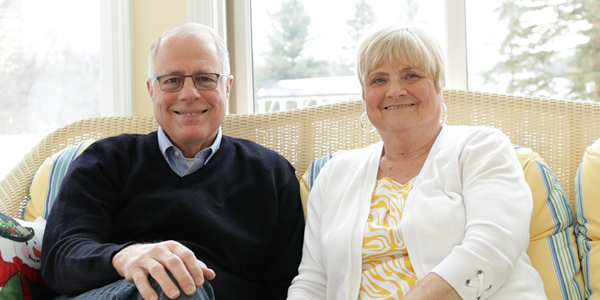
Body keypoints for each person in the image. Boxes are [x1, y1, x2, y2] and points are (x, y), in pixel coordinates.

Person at [41, 23, 304, 300]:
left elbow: (288, 284)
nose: (189, 93)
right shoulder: (105, 160)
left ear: (227, 87)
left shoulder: (272, 173)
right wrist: (126, 256)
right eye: (172, 80)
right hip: (122, 293)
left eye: (205, 78)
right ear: (151, 90)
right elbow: (60, 258)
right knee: (171, 284)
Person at [287, 25, 547, 300]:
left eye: (411, 76)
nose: (395, 91)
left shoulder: (481, 147)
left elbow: (494, 245)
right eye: (378, 80)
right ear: (364, 95)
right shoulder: (334, 174)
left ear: (438, 84)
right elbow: (313, 281)